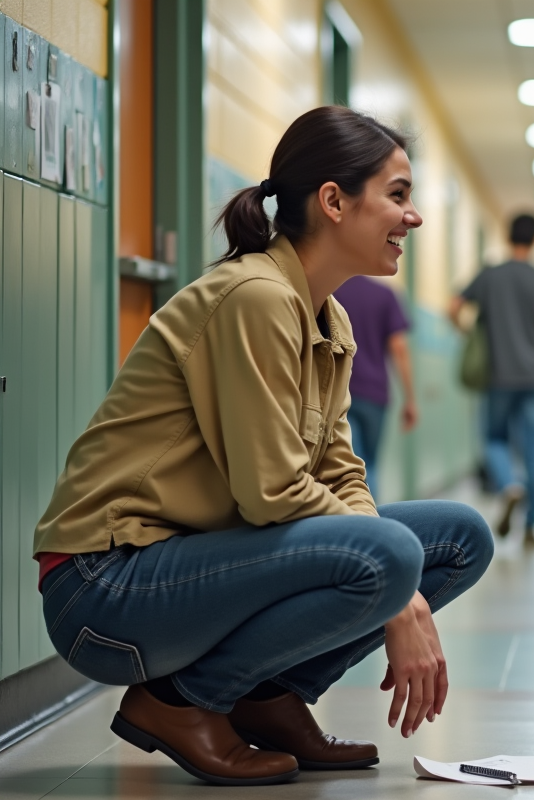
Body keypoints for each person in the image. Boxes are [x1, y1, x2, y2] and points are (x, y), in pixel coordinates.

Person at [32, 107, 493, 786]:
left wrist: (400, 581)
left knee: (459, 538)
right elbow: (272, 493)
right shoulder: (255, 297)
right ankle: (181, 702)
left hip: (182, 565)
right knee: (393, 553)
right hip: (104, 586)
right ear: (333, 201)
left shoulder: (327, 315)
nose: (413, 216)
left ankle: (265, 696)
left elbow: (340, 471)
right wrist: (400, 594)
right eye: (398, 194)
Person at [449, 214, 534, 546]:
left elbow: (453, 307)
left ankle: (509, 483)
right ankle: (531, 527)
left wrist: (469, 336)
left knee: (493, 438)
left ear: (506, 235)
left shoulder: (490, 275)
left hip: (498, 375)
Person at [333, 275, 418, 497]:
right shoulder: (385, 294)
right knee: (369, 464)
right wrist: (410, 399)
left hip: (337, 391)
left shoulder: (332, 289)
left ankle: (356, 513)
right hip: (374, 394)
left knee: (347, 465)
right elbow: (399, 348)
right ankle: (371, 513)